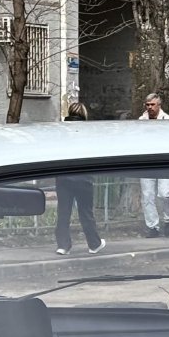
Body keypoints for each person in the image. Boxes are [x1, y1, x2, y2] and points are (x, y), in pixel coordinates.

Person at [54, 102, 105, 255]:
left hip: (63, 177)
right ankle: (94, 244)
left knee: (63, 212)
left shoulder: (61, 130)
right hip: (83, 178)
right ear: (84, 115)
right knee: (86, 212)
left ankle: (63, 245)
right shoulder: (89, 132)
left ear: (69, 113)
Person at [138, 93, 169, 237]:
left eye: (152, 105)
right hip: (146, 162)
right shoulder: (141, 121)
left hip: (164, 162)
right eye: (147, 105)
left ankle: (168, 219)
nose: (149, 107)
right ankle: (152, 226)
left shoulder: (168, 120)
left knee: (164, 194)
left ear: (159, 105)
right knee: (147, 196)